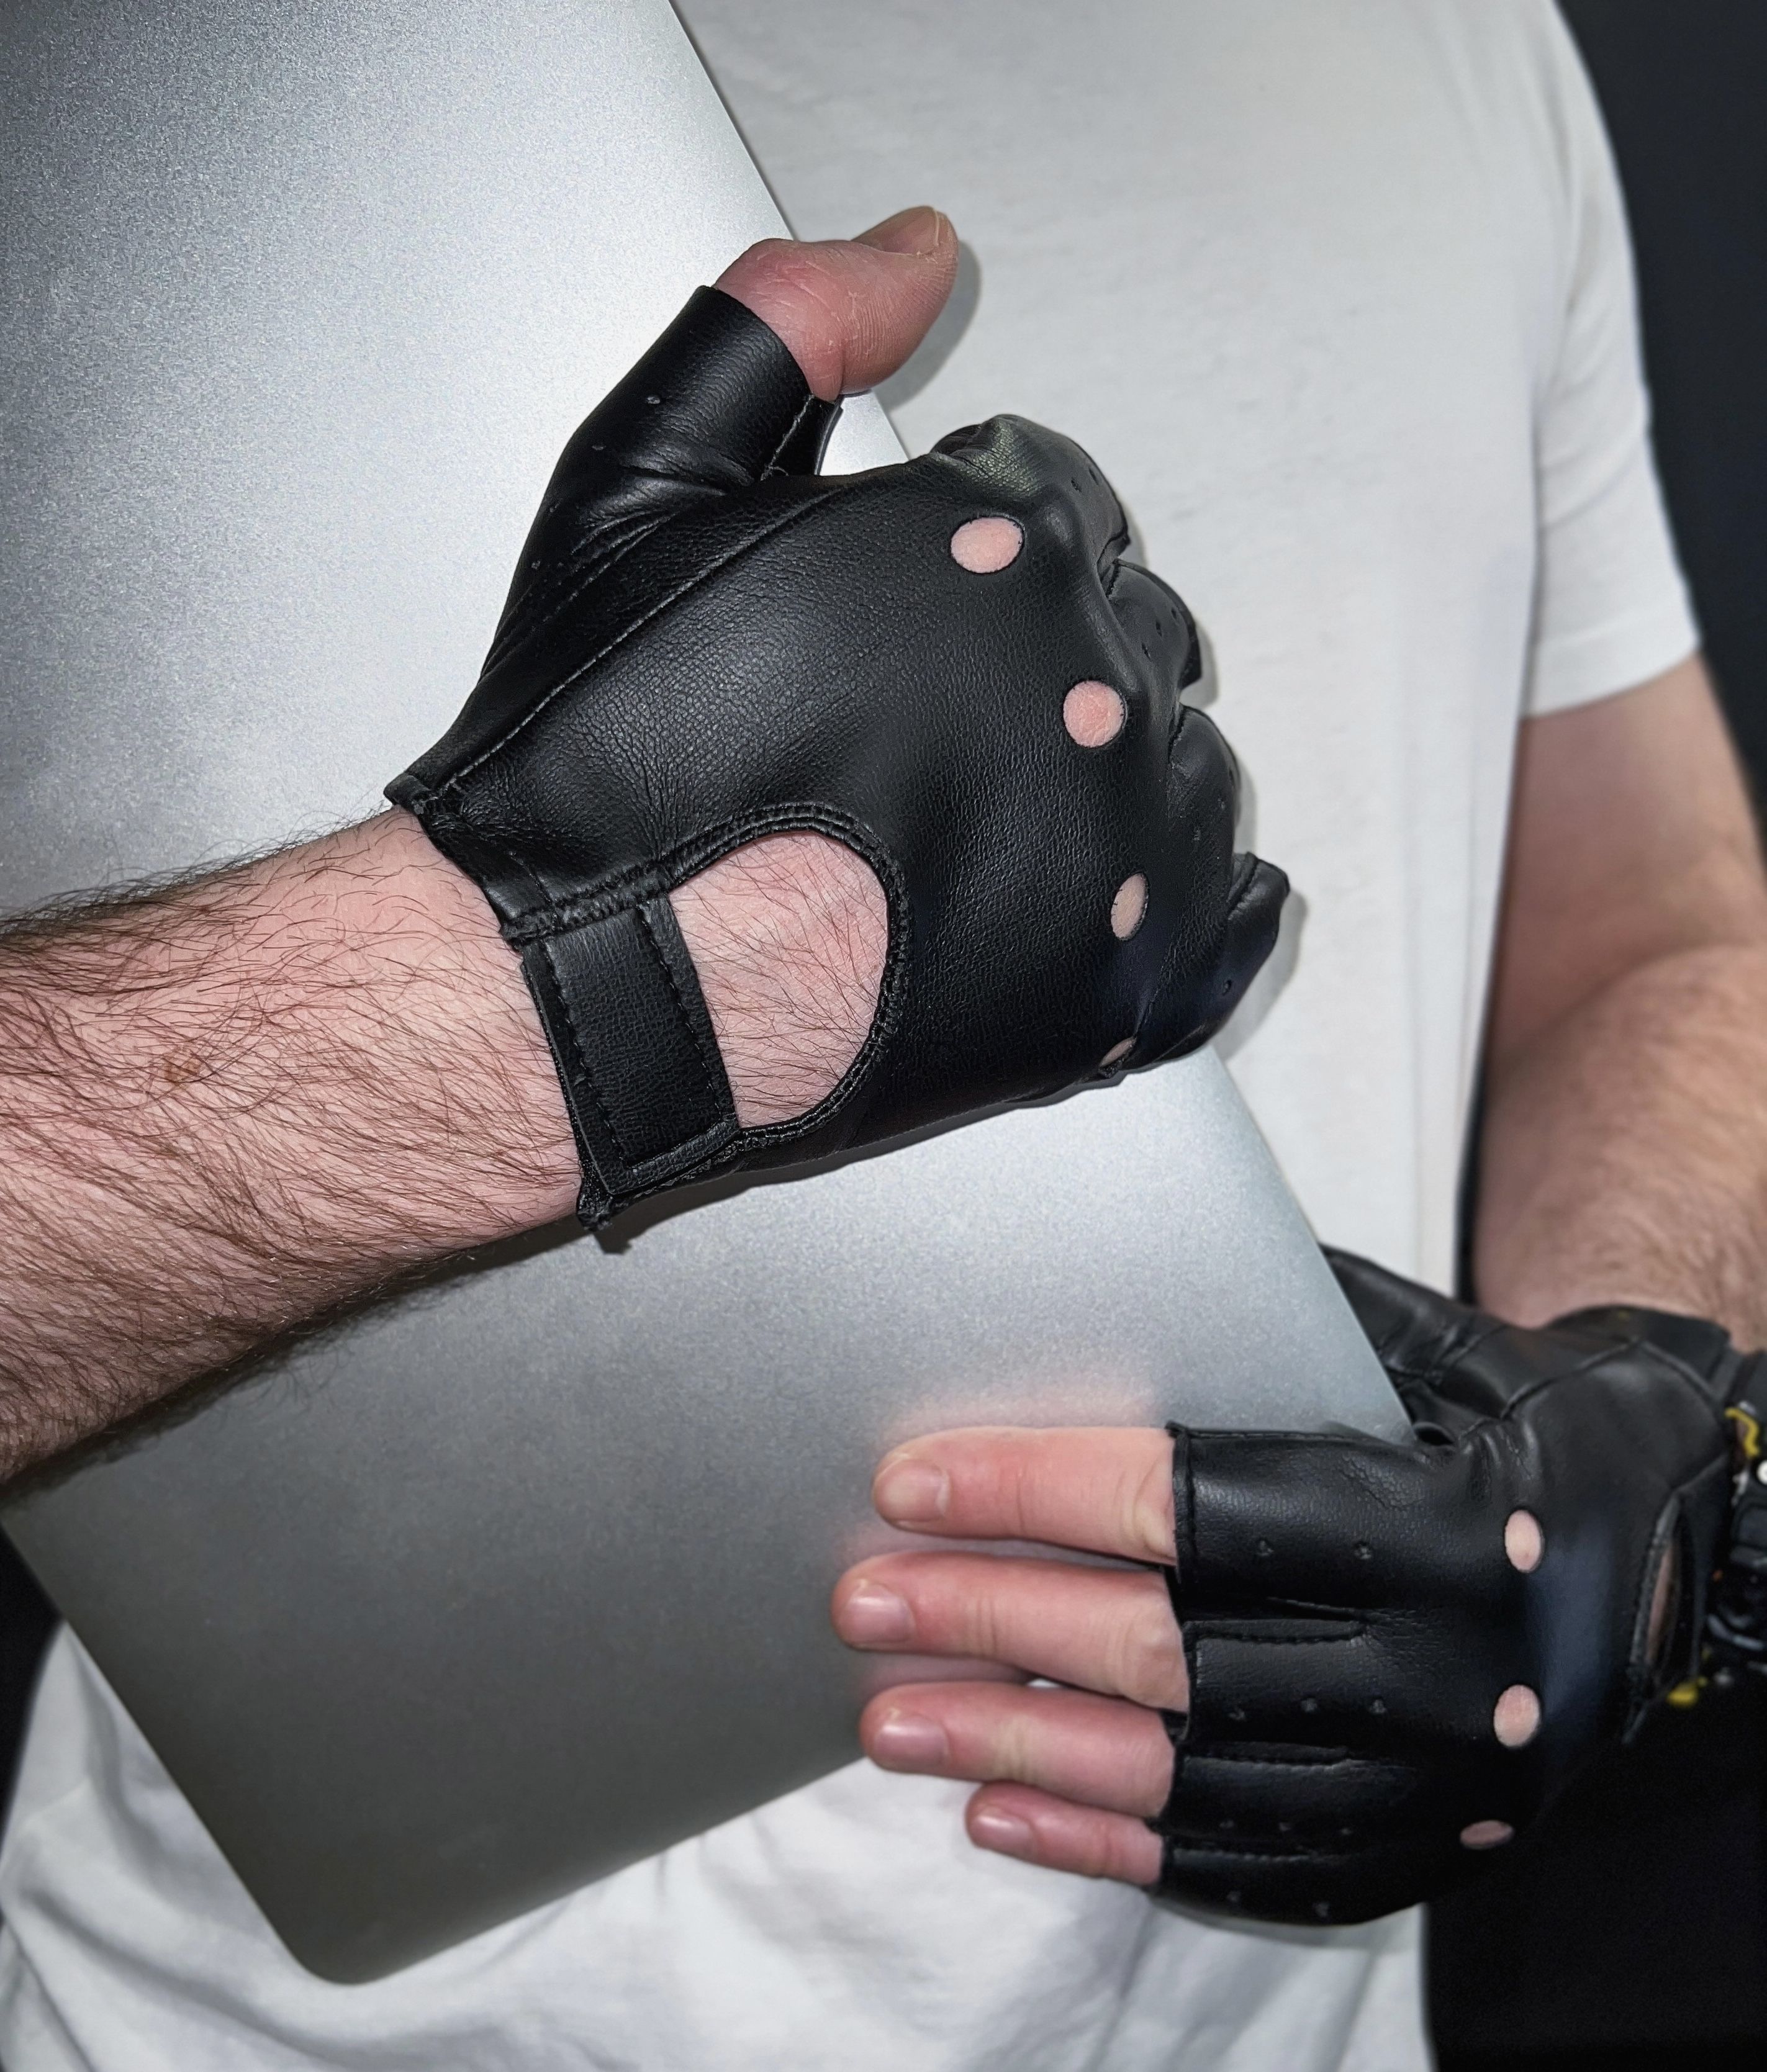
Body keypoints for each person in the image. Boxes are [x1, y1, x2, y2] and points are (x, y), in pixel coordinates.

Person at [4, 9, 1765, 2072]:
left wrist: (1646, 1420)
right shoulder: (150, 71)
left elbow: (1653, 933)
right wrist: (566, 988)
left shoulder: (1469, 43)